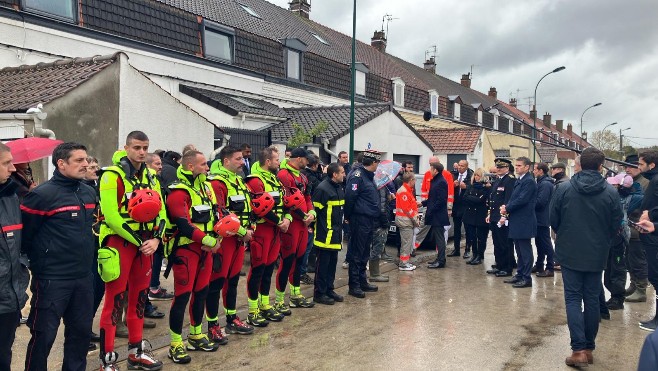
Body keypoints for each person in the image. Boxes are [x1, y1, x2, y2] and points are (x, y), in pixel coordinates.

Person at [21, 142, 97, 370]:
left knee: (80, 335)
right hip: (52, 280)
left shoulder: (89, 192)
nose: (85, 164)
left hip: (83, 278)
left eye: (86, 160)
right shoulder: (42, 196)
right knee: (43, 336)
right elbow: (27, 236)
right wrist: (40, 264)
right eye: (79, 160)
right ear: (61, 163)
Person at [97, 131, 166, 370]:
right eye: (137, 147)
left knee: (138, 300)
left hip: (146, 245)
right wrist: (140, 241)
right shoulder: (110, 176)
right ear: (125, 148)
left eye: (145, 147)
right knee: (114, 302)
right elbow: (112, 217)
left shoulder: (151, 177)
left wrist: (156, 239)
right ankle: (107, 361)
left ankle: (136, 353)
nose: (142, 152)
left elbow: (162, 212)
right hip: (120, 245)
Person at [550, 147, 623, 366]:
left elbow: (553, 219)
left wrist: (565, 235)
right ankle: (588, 347)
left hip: (570, 250)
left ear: (580, 164)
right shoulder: (611, 192)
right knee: (592, 298)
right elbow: (616, 223)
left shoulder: (564, 189)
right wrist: (603, 240)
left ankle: (579, 349)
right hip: (597, 251)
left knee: (573, 298)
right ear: (601, 166)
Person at [165, 150, 220, 364]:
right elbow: (184, 225)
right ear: (190, 166)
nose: (207, 168)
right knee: (182, 296)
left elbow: (216, 215)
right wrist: (209, 242)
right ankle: (175, 344)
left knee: (202, 292)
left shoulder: (206, 188)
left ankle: (196, 335)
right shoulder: (178, 192)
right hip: (186, 251)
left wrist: (218, 239)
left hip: (206, 250)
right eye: (204, 164)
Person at [206, 146, 255, 340]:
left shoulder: (239, 181)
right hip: (225, 240)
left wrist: (248, 231)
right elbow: (221, 212)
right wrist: (244, 232)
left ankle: (232, 318)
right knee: (216, 282)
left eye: (242, 159)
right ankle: (212, 325)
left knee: (233, 280)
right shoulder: (218, 183)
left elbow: (248, 209)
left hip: (239, 241)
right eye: (238, 159)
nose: (242, 162)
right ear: (226, 161)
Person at [244, 146, 290, 324]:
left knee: (269, 268)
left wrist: (286, 219)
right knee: (258, 269)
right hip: (262, 230)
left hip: (276, 231)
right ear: (268, 161)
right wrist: (279, 222)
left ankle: (265, 304)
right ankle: (253, 310)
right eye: (277, 159)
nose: (280, 162)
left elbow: (285, 202)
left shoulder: (275, 180)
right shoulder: (255, 181)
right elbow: (258, 207)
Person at [0, 143, 29, 370]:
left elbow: (21, 243)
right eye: (6, 163)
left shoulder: (11, 196)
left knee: (4, 355)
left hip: (10, 297)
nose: (12, 168)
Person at [276, 148, 316, 307]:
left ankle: (295, 295)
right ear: (299, 158)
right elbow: (287, 202)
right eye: (307, 160)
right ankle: (279, 300)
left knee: (299, 260)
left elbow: (307, 197)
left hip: (303, 225)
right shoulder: (284, 175)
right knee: (287, 261)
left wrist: (311, 212)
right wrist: (304, 216)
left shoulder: (303, 177)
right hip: (291, 223)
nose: (308, 163)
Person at [344, 150, 381, 298]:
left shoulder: (368, 176)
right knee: (356, 253)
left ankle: (362, 281)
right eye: (377, 162)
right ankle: (354, 285)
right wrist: (348, 216)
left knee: (364, 252)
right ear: (373, 163)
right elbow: (350, 197)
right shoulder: (357, 176)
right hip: (359, 219)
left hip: (369, 220)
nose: (378, 165)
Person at [604, 173, 642, 311]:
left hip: (619, 238)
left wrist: (630, 185)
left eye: (614, 184)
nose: (610, 186)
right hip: (608, 238)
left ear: (619, 187)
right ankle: (614, 295)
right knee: (609, 271)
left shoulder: (631, 198)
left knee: (617, 269)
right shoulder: (612, 197)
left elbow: (641, 195)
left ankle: (617, 298)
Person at [500, 157, 537, 288]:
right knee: (519, 250)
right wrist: (506, 207)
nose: (516, 167)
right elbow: (513, 197)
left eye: (519, 165)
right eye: (516, 165)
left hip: (524, 220)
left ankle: (526, 278)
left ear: (527, 167)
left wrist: (507, 208)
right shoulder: (520, 180)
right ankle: (520, 274)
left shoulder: (529, 182)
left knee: (525, 250)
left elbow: (522, 199)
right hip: (516, 219)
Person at [312, 163, 346, 304]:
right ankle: (319, 293)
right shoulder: (322, 189)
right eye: (342, 172)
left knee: (332, 264)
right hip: (324, 235)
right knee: (322, 266)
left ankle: (329, 289)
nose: (344, 174)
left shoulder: (339, 188)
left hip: (336, 235)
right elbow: (315, 212)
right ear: (335, 174)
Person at [145, 153, 171, 317]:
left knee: (156, 260)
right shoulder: (147, 182)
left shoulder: (157, 180)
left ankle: (152, 289)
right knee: (151, 263)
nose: (161, 167)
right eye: (157, 164)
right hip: (148, 233)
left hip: (158, 229)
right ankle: (152, 290)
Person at [637, 149, 658, 331]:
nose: (638, 167)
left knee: (656, 277)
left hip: (654, 235)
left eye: (641, 164)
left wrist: (650, 214)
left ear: (652, 165)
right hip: (651, 232)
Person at [84, 156, 103, 350]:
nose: (94, 170)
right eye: (91, 167)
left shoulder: (98, 186)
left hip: (100, 243)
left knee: (99, 288)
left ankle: (87, 327)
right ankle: (82, 331)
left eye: (96, 166)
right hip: (87, 244)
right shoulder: (81, 189)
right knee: (87, 291)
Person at [624, 154, 649, 302]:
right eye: (625, 167)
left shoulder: (645, 183)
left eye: (630, 167)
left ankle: (641, 289)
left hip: (639, 229)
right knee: (629, 260)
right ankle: (633, 284)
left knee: (639, 260)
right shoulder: (629, 182)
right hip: (628, 229)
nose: (627, 169)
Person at [486, 159, 516, 277]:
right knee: (497, 243)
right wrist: (489, 214)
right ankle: (499, 265)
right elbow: (493, 200)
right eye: (497, 167)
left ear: (507, 168)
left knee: (505, 244)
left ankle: (506, 268)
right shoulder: (498, 180)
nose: (498, 169)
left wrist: (504, 216)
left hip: (502, 218)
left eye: (501, 168)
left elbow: (508, 200)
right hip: (494, 216)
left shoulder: (510, 180)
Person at [421, 162, 450, 269]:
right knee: (438, 238)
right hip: (435, 215)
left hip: (438, 216)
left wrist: (431, 210)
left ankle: (441, 261)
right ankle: (439, 258)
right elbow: (433, 198)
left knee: (439, 239)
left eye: (431, 169)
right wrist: (423, 203)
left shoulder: (441, 182)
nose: (430, 171)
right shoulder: (436, 181)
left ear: (436, 170)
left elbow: (441, 200)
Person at [300, 154, 324, 284]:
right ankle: (301, 273)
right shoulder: (309, 177)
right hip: (308, 215)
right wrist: (325, 175)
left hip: (308, 212)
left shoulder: (304, 174)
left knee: (307, 245)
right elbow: (319, 188)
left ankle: (302, 270)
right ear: (314, 165)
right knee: (306, 246)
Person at [463, 168, 490, 265]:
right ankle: (474, 254)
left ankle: (480, 254)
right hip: (470, 214)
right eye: (475, 175)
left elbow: (480, 200)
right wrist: (474, 199)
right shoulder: (470, 186)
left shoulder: (485, 188)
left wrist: (472, 199)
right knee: (472, 236)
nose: (476, 177)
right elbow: (465, 197)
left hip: (480, 215)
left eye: (478, 175)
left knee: (481, 237)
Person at [533, 162, 555, 277]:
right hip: (538, 218)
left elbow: (541, 202)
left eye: (535, 169)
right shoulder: (541, 182)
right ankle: (539, 264)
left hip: (542, 218)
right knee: (539, 243)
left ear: (541, 171)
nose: (533, 171)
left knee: (546, 243)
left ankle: (550, 267)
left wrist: (529, 203)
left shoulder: (545, 184)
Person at [395, 172, 420, 271]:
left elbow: (409, 205)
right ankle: (403, 264)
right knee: (406, 243)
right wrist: (415, 220)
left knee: (407, 242)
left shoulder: (407, 190)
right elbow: (407, 209)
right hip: (405, 221)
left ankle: (405, 262)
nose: (415, 182)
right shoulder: (404, 191)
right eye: (414, 180)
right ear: (411, 181)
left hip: (405, 220)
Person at [449, 160, 473, 258]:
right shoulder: (454, 175)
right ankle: (456, 249)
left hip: (466, 206)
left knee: (468, 229)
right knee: (456, 228)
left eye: (462, 166)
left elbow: (474, 189)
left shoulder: (471, 175)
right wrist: (453, 186)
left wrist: (466, 187)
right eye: (459, 165)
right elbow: (448, 188)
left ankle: (467, 249)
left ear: (466, 167)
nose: (460, 167)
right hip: (456, 206)